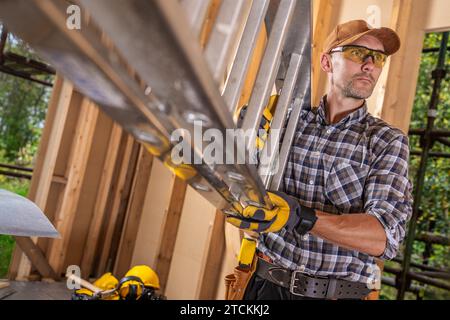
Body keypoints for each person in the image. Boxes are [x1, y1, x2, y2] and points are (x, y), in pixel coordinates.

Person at [226, 19, 413, 300]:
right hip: (265, 287)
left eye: (378, 58)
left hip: (336, 294)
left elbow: (383, 238)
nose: (370, 65)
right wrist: (247, 127)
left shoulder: (386, 141)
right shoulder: (285, 124)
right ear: (327, 63)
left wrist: (301, 216)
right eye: (357, 53)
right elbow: (240, 187)